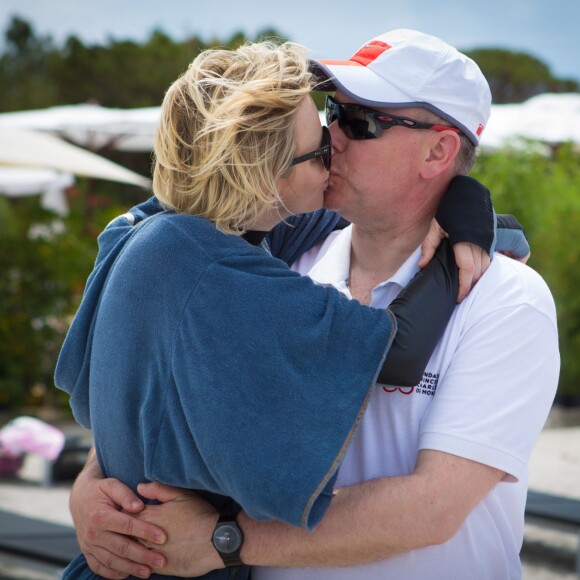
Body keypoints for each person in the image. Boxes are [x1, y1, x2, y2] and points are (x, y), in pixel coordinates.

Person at [67, 29, 558, 580]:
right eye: (331, 111)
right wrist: (92, 487)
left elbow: (432, 509)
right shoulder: (274, 255)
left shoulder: (507, 301)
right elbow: (156, 385)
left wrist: (223, 541)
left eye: (360, 122)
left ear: (438, 150)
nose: (331, 135)